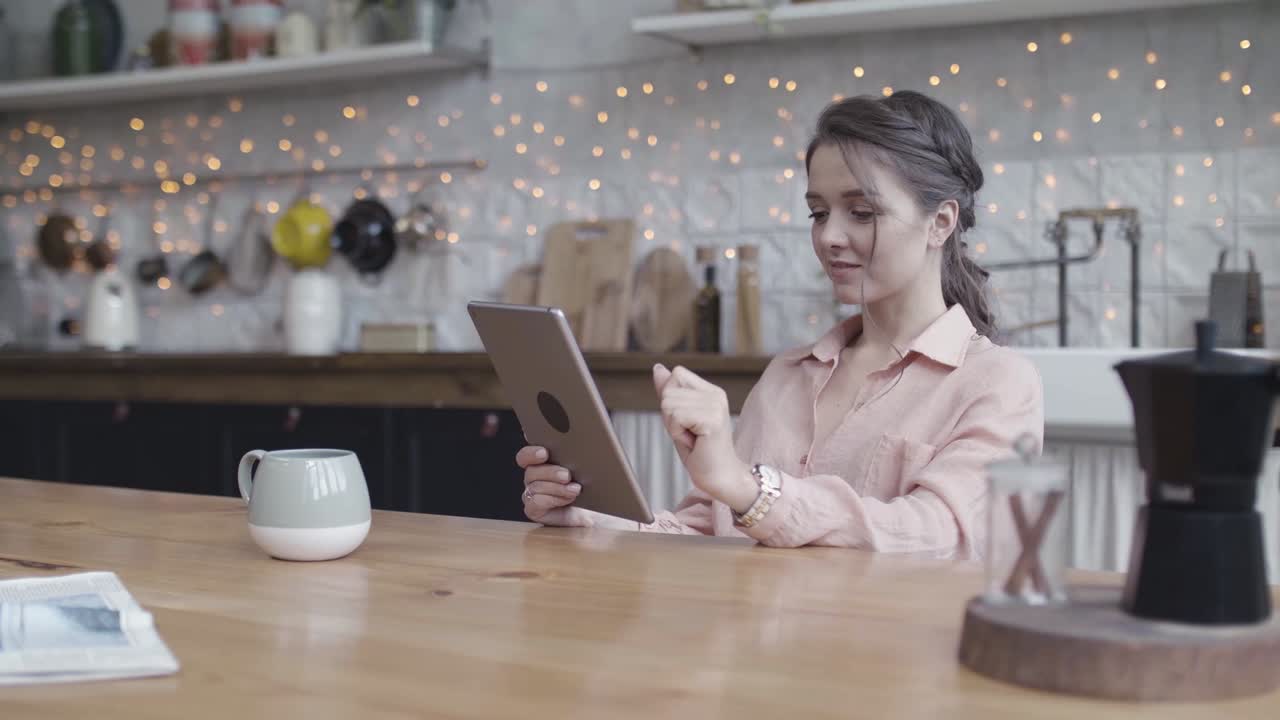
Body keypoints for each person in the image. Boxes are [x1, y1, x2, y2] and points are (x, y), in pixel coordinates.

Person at [516, 90, 1044, 559]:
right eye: (818, 212)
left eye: (861, 212)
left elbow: (942, 535)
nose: (830, 236)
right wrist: (588, 520)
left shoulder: (995, 382)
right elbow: (709, 534)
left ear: (941, 222)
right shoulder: (787, 374)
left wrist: (749, 489)